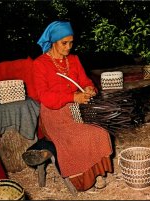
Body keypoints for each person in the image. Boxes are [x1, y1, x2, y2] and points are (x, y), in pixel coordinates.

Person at [33, 21, 113, 191]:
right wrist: (72, 97)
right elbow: (45, 97)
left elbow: (84, 81)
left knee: (100, 132)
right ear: (53, 41)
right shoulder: (40, 64)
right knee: (78, 138)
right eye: (64, 43)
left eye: (71, 42)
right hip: (54, 116)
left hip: (78, 111)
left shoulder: (74, 60)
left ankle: (98, 173)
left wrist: (90, 88)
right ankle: (82, 180)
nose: (69, 47)